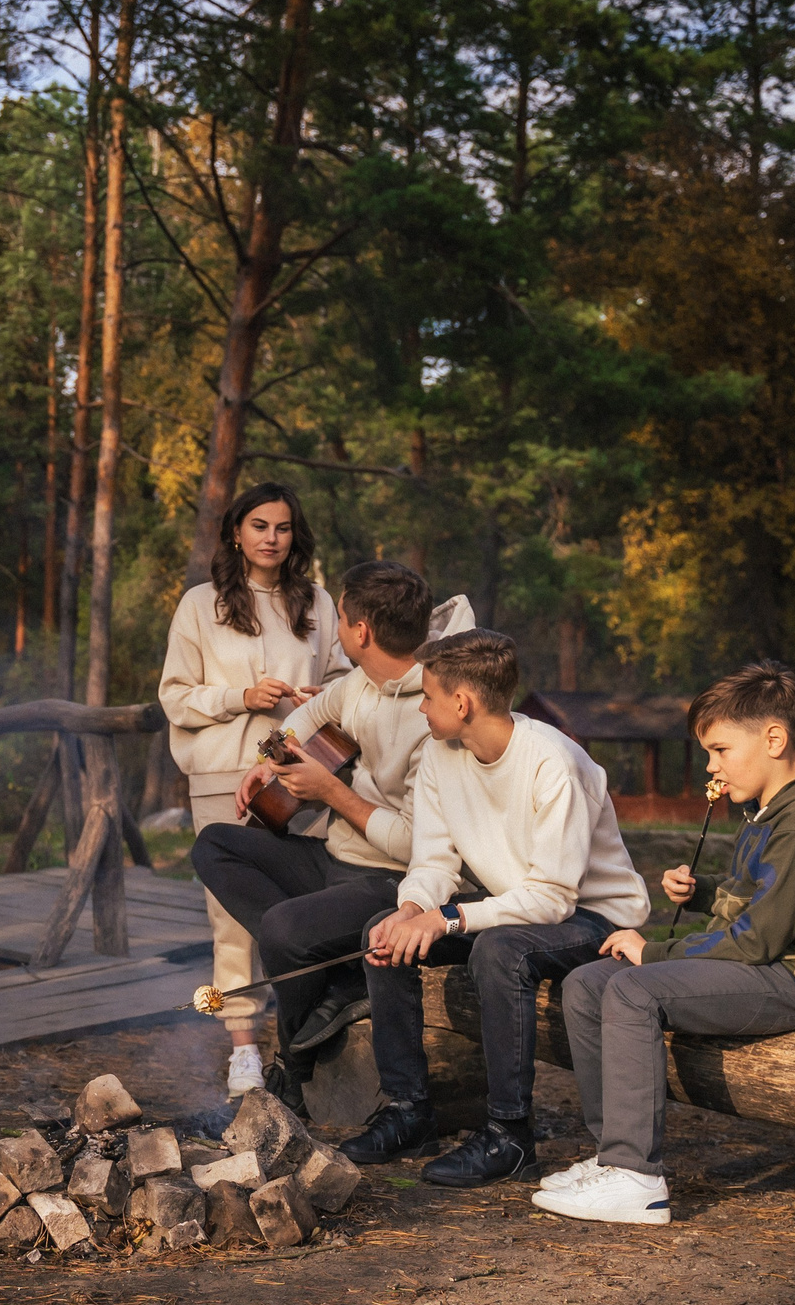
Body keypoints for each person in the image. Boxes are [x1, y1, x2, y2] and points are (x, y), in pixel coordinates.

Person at [536, 661, 795, 1226]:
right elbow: (760, 897)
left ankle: (636, 1180)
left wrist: (655, 952)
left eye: (719, 750)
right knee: (587, 983)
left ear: (774, 738)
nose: (711, 766)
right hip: (763, 962)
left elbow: (758, 940)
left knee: (633, 991)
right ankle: (611, 1156)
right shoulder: (773, 810)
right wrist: (702, 894)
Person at [342, 629, 651, 1187]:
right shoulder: (440, 755)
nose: (422, 706)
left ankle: (510, 1136)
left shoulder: (555, 762)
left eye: (429, 696)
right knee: (381, 933)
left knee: (499, 951)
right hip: (520, 909)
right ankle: (409, 1110)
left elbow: (555, 897)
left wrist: (449, 918)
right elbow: (435, 859)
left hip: (595, 918)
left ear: (462, 703)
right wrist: (413, 907)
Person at [189, 561, 476, 1111]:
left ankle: (291, 1068)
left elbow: (422, 846)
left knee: (281, 929)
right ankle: (338, 978)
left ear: (361, 632)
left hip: (396, 884)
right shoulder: (360, 681)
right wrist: (267, 761)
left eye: (341, 618)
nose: (337, 627)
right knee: (215, 845)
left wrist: (330, 792)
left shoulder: (434, 714)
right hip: (339, 860)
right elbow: (308, 715)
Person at [160, 484, 348, 1097]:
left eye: (284, 527)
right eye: (259, 525)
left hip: (306, 776)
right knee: (231, 919)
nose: (271, 537)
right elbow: (175, 696)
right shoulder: (200, 604)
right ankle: (243, 1047)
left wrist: (321, 700)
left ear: (297, 536)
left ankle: (304, 1041)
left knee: (307, 908)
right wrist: (240, 697)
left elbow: (350, 684)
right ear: (236, 532)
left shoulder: (318, 603)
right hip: (223, 777)